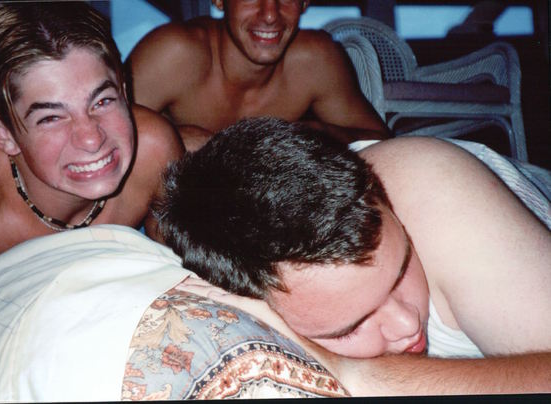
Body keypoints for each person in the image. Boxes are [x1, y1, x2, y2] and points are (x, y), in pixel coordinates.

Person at [155, 117, 551, 395]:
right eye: (351, 327)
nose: (406, 323)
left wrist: (359, 374)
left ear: (381, 196)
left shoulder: (443, 201)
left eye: (401, 270)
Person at [0, 1, 184, 270]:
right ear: (3, 135)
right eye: (51, 118)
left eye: (102, 101)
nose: (92, 140)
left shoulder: (154, 153)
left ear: (124, 92)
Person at [127, 0, 389, 151]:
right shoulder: (175, 53)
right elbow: (107, 134)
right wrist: (172, 140)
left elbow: (381, 142)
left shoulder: (314, 60)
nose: (270, 15)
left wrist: (313, 133)